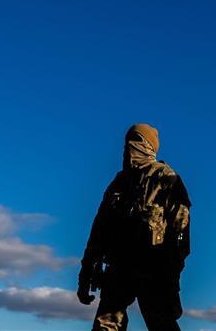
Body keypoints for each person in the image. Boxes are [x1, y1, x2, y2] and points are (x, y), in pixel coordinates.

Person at [78, 124, 191, 331]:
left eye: (138, 140)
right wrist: (85, 274)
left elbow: (181, 232)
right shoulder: (119, 184)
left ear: (149, 146)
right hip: (119, 270)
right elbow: (98, 233)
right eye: (128, 141)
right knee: (106, 326)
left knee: (162, 324)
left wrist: (171, 276)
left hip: (154, 271)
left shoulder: (166, 178)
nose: (130, 147)